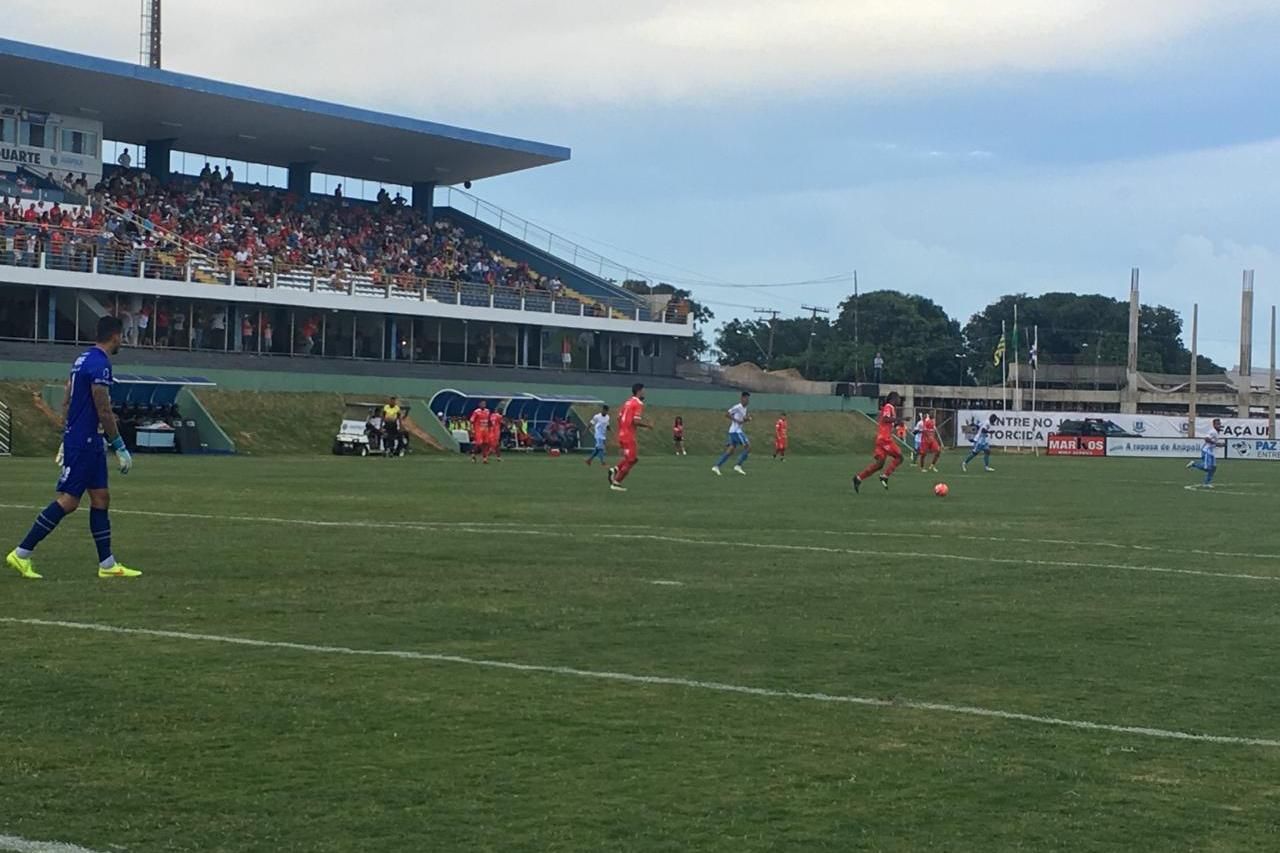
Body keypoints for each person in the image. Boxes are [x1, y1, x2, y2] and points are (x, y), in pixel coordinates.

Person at [7, 316, 141, 579]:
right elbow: (102, 407)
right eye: (122, 336)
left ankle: (107, 564)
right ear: (115, 336)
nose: (121, 341)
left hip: (83, 440)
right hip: (86, 441)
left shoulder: (81, 360)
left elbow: (67, 399)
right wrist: (119, 444)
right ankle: (21, 553)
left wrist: (66, 433)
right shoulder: (100, 364)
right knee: (68, 501)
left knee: (101, 498)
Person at [853, 391, 905, 493]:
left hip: (882, 439)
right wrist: (900, 419)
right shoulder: (888, 406)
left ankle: (858, 478)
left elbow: (888, 422)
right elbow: (886, 419)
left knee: (879, 465)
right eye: (898, 398)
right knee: (900, 457)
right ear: (893, 398)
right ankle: (885, 476)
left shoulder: (892, 409)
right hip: (884, 439)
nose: (899, 400)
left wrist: (898, 423)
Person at [608, 383, 652, 492]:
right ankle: (616, 482)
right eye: (643, 390)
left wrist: (623, 429)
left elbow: (619, 418)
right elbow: (636, 421)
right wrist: (648, 425)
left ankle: (615, 470)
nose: (644, 393)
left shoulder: (627, 402)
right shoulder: (638, 403)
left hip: (622, 434)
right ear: (639, 391)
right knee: (631, 460)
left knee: (631, 459)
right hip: (628, 436)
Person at [713, 391, 751, 476]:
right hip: (736, 431)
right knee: (748, 447)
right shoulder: (738, 407)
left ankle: (717, 466)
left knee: (730, 450)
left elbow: (742, 419)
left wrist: (747, 419)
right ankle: (738, 465)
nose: (748, 401)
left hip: (734, 431)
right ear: (742, 398)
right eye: (746, 399)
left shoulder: (745, 408)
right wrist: (736, 420)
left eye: (748, 399)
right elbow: (727, 414)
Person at [1187, 418, 1223, 488]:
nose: (1219, 425)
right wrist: (1216, 443)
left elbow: (1213, 442)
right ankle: (1194, 464)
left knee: (1213, 467)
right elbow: (1206, 439)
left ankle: (1206, 483)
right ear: (1214, 425)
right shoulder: (1213, 431)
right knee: (1208, 468)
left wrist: (1218, 444)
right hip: (1206, 451)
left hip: (1211, 452)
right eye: (1217, 424)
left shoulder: (1217, 432)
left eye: (1220, 424)